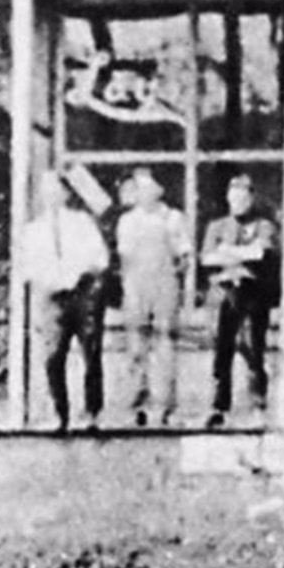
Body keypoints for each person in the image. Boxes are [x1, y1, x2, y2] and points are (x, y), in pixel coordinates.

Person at [21, 170, 111, 433]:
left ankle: (93, 414)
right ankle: (61, 415)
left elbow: (100, 258)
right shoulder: (32, 230)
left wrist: (79, 272)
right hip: (52, 298)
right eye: (45, 191)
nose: (51, 196)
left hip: (82, 295)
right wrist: (48, 278)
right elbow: (28, 267)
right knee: (52, 357)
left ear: (66, 194)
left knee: (91, 354)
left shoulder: (82, 222)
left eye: (56, 190)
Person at [200, 173, 278, 428]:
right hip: (222, 294)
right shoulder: (217, 226)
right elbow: (207, 259)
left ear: (252, 199)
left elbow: (260, 253)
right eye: (234, 197)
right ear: (227, 198)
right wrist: (239, 257)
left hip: (251, 295)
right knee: (221, 350)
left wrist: (227, 253)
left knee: (252, 349)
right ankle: (219, 407)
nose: (238, 202)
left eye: (243, 197)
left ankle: (257, 405)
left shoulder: (263, 225)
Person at [115, 168, 189, 426]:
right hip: (136, 286)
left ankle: (166, 406)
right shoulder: (127, 221)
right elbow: (125, 256)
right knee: (136, 345)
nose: (144, 194)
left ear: (158, 191)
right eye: (140, 189)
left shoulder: (173, 218)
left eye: (149, 188)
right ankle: (137, 404)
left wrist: (173, 275)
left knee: (165, 344)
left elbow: (185, 254)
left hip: (164, 285)